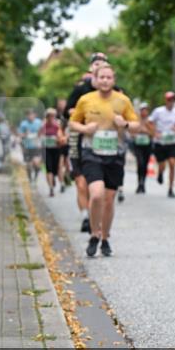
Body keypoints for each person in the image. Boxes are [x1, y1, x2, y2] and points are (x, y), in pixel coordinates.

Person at [67, 63, 140, 258]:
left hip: (115, 155)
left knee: (109, 200)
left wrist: (124, 124)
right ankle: (94, 233)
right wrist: (84, 129)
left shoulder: (123, 101)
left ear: (113, 80)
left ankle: (105, 237)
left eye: (109, 77)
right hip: (91, 153)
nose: (105, 81)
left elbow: (136, 126)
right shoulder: (85, 100)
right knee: (96, 194)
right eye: (101, 77)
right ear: (94, 80)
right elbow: (72, 121)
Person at [65, 54, 109, 233]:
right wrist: (82, 118)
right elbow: (67, 112)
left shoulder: (115, 92)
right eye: (96, 64)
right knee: (81, 182)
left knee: (98, 184)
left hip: (104, 140)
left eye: (104, 64)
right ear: (91, 69)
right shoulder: (81, 90)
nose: (100, 67)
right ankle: (86, 217)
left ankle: (96, 214)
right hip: (79, 138)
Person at [150, 91, 175, 198]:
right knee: (162, 165)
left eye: (173, 100)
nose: (171, 102)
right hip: (160, 142)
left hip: (172, 142)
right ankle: (160, 173)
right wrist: (154, 132)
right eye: (169, 100)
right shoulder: (158, 111)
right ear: (166, 100)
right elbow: (149, 122)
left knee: (172, 164)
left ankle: (171, 189)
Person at [39, 108, 66, 197]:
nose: (51, 117)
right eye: (49, 116)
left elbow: (62, 137)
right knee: (49, 169)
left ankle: (62, 183)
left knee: (59, 167)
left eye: (53, 116)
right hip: (47, 150)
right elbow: (39, 136)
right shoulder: (43, 125)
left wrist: (58, 138)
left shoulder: (57, 124)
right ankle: (51, 188)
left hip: (57, 149)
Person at [131, 103, 155, 194]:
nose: (144, 112)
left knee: (145, 164)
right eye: (142, 110)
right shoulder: (136, 120)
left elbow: (153, 133)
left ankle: (143, 184)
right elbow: (131, 131)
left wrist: (146, 131)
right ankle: (139, 183)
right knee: (140, 163)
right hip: (138, 144)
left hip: (147, 145)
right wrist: (136, 132)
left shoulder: (150, 121)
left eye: (146, 110)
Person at [18, 110, 43, 181]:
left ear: (35, 115)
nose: (30, 116)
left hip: (36, 146)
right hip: (27, 147)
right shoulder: (23, 124)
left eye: (31, 115)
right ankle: (30, 179)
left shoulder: (39, 122)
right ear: (26, 116)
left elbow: (43, 132)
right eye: (28, 115)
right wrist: (25, 134)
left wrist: (40, 134)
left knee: (36, 162)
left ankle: (36, 176)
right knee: (28, 165)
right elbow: (20, 135)